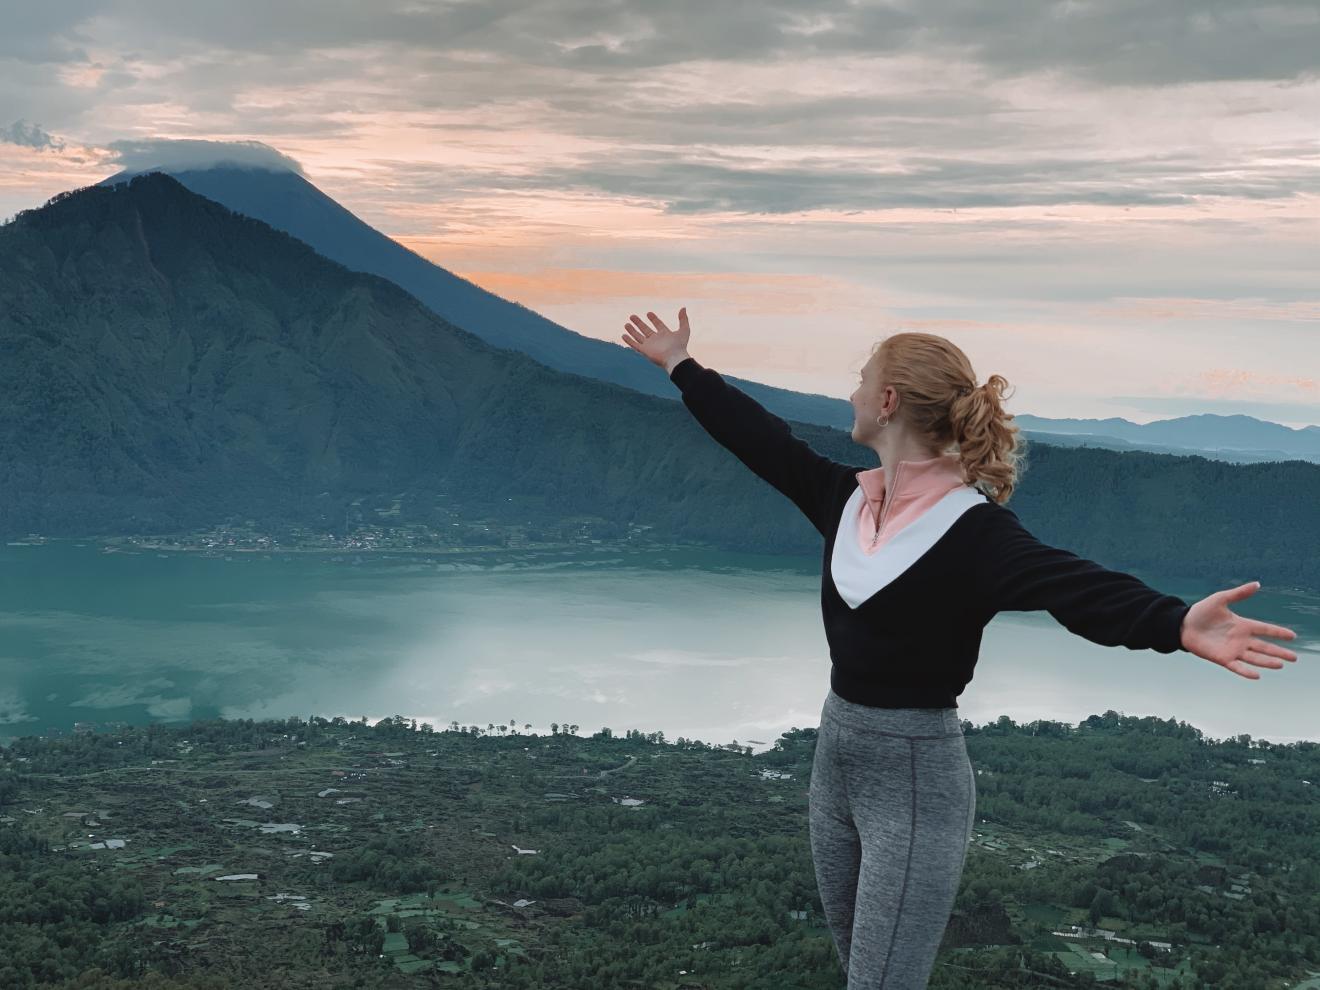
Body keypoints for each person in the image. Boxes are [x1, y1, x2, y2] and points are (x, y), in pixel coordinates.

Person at [621, 308, 1300, 989]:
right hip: (835, 762)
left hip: (915, 780)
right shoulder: (848, 502)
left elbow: (1071, 585)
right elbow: (759, 440)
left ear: (887, 402)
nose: (851, 395)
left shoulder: (972, 533)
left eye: (862, 382)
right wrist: (681, 365)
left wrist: (1176, 621)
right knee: (859, 969)